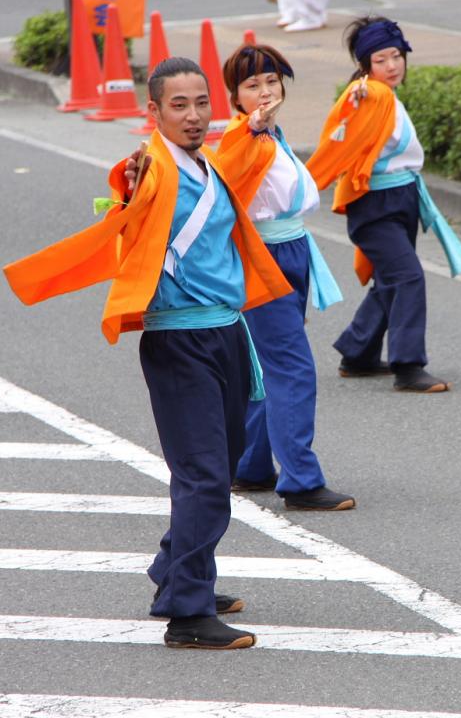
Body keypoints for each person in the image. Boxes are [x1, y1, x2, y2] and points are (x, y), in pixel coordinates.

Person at [3, 56, 293, 650]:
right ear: (153, 111)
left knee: (223, 465)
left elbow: (241, 159)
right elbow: (132, 192)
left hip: (226, 332)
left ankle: (174, 573)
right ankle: (188, 614)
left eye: (201, 103)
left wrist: (257, 125)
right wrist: (129, 179)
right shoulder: (154, 166)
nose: (193, 115)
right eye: (178, 106)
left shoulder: (206, 162)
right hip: (180, 340)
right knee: (204, 475)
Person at [217, 43, 355, 511]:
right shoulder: (241, 135)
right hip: (264, 257)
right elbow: (231, 165)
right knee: (292, 368)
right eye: (251, 84)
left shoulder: (272, 133)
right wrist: (254, 127)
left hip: (292, 250)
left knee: (267, 364)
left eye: (272, 81)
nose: (264, 91)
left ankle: (252, 465)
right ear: (235, 96)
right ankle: (300, 482)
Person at [306, 16, 461, 393]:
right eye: (380, 59)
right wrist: (358, 92)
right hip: (375, 206)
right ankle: (408, 366)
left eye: (397, 56)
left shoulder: (387, 94)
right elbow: (349, 115)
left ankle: (358, 354)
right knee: (408, 276)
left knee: (390, 279)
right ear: (365, 65)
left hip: (401, 198)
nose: (392, 65)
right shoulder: (371, 93)